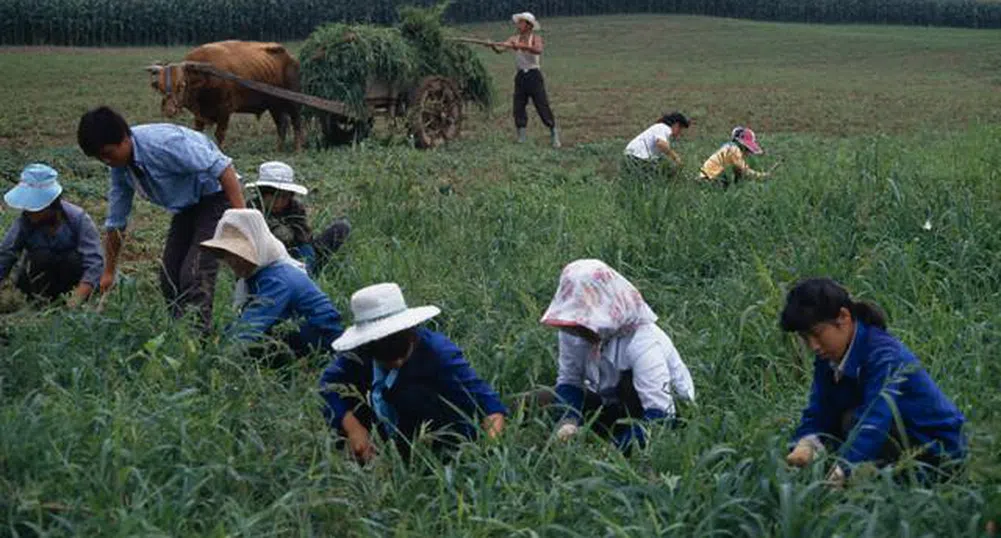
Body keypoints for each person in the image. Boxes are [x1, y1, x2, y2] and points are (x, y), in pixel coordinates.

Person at [781, 278, 967, 486]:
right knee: (835, 427)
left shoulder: (884, 355)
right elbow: (819, 407)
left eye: (817, 334)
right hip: (898, 436)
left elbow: (874, 419)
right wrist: (806, 442)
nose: (813, 346)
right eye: (805, 338)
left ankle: (903, 485)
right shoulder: (828, 358)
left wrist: (842, 473)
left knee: (851, 421)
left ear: (843, 317)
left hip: (939, 451)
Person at [76, 106, 246, 332]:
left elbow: (224, 168)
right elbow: (116, 221)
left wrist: (243, 221)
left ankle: (199, 342)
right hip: (187, 206)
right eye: (99, 157)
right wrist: (109, 272)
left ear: (124, 139)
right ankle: (181, 335)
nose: (105, 161)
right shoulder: (120, 167)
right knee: (169, 277)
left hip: (216, 196)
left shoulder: (164, 144)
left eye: (107, 153)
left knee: (194, 274)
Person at [319, 283, 506, 462]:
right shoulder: (357, 356)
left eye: (402, 353)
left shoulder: (438, 354)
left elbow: (489, 406)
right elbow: (327, 386)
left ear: (411, 334)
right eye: (387, 358)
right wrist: (353, 428)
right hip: (382, 431)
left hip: (436, 439)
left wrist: (489, 453)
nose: (399, 362)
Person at [540, 259, 695, 452]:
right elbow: (569, 380)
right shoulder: (573, 331)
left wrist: (612, 451)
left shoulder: (643, 343)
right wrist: (567, 421)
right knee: (540, 398)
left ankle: (624, 442)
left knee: (628, 385)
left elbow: (661, 415)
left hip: (653, 411)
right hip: (609, 402)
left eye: (583, 323)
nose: (577, 331)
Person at [200, 209, 344, 362]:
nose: (233, 262)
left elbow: (251, 326)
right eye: (228, 256)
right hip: (297, 335)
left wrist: (216, 359)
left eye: (239, 255)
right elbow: (245, 319)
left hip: (322, 343)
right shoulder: (260, 276)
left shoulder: (277, 279)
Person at [0, 164, 103, 306]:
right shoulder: (24, 222)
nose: (29, 212)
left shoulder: (78, 218)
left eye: (35, 207)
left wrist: (77, 298)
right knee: (40, 256)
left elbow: (94, 262)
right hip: (37, 284)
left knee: (72, 259)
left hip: (71, 282)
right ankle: (38, 304)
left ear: (51, 205)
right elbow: (6, 255)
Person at [246, 161, 351, 276]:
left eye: (284, 197)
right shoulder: (252, 208)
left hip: (299, 251)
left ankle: (307, 272)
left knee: (341, 227)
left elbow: (303, 237)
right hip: (268, 259)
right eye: (274, 197)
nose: (279, 202)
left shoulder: (295, 207)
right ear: (262, 194)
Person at [491, 12, 561, 148]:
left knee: (542, 105)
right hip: (521, 76)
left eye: (521, 22)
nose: (518, 25)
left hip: (534, 75)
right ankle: (522, 136)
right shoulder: (514, 38)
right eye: (519, 22)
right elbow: (501, 49)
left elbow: (538, 50)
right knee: (518, 106)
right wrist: (493, 46)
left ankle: (554, 133)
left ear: (528, 25)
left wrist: (523, 47)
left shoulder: (535, 38)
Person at [623, 112, 690, 176]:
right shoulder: (664, 128)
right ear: (676, 125)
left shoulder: (659, 128)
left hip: (631, 158)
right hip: (637, 158)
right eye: (680, 129)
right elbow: (661, 144)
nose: (680, 132)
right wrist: (675, 157)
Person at [698, 126, 768, 186]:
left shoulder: (729, 147)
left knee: (737, 173)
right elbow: (744, 170)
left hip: (709, 176)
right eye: (747, 149)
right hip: (710, 178)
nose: (748, 152)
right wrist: (762, 176)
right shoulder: (734, 150)